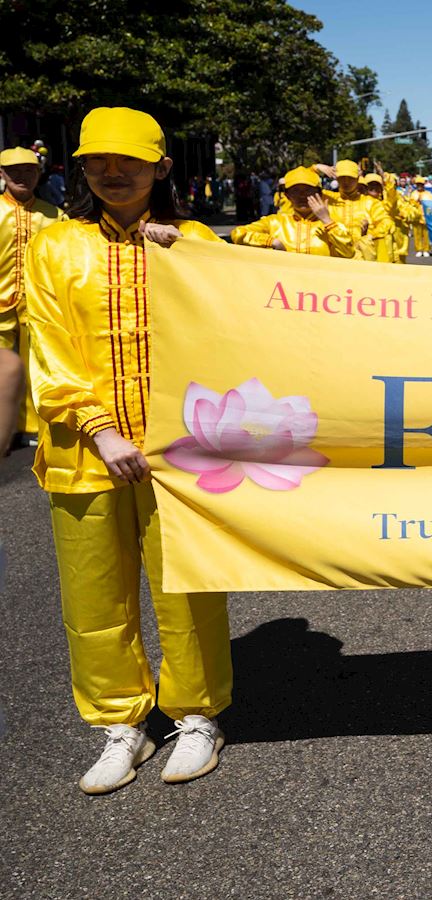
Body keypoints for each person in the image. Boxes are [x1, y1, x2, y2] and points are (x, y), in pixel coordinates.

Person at [23, 107, 234, 795]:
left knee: (186, 587)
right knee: (94, 596)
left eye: (130, 162)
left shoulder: (192, 241)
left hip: (176, 452)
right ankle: (121, 725)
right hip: (82, 451)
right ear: (79, 167)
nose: (113, 174)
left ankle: (196, 716)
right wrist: (97, 427)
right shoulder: (55, 245)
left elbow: (240, 324)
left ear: (161, 168)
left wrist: (190, 261)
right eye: (98, 162)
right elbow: (47, 344)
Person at [0, 147, 66, 454]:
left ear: (38, 174)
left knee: (35, 366)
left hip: (37, 304)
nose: (22, 177)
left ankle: (28, 426)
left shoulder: (55, 215)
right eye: (14, 171)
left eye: (29, 170)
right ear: (2, 174)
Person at [230, 166, 356, 257]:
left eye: (308, 190)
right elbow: (238, 233)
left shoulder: (331, 225)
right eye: (295, 191)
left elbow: (348, 252)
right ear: (287, 195)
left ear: (319, 193)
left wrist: (327, 221)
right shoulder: (275, 222)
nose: (302, 196)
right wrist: (271, 242)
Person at [319, 159, 393, 262]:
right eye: (342, 178)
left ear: (358, 179)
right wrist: (315, 168)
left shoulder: (370, 202)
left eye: (350, 178)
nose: (346, 182)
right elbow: (303, 186)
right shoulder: (328, 198)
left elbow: (387, 223)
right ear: (336, 178)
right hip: (334, 260)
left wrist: (370, 235)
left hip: (362, 259)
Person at [408, 175, 432, 257]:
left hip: (426, 217)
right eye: (418, 184)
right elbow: (410, 204)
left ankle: (426, 249)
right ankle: (419, 249)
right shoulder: (413, 194)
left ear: (423, 185)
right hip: (416, 217)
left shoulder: (428, 194)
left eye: (421, 184)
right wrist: (417, 202)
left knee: (426, 235)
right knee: (417, 234)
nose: (419, 186)